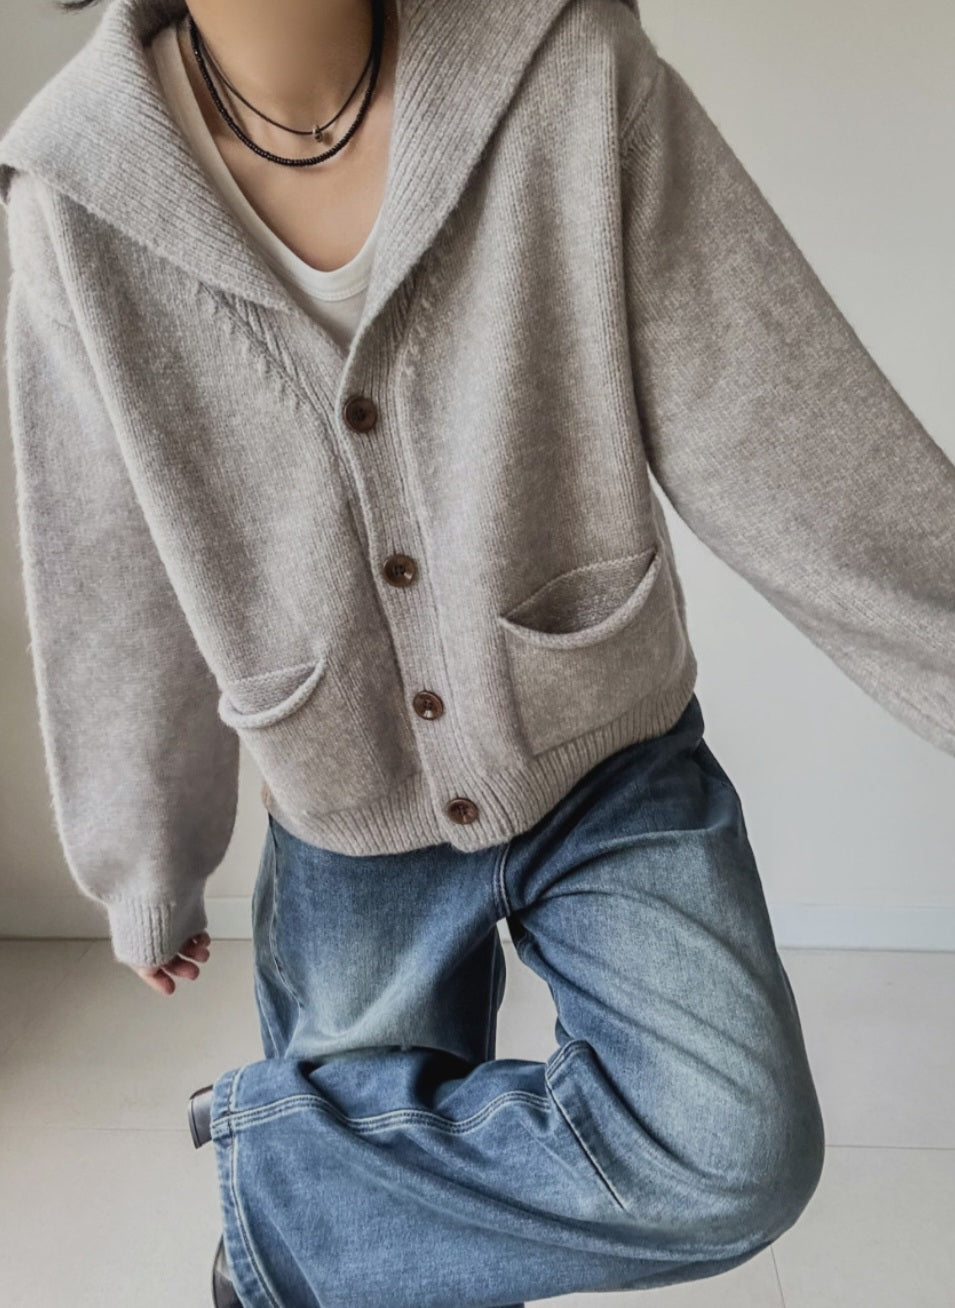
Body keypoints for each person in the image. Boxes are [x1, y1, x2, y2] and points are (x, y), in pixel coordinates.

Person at [2, 0, 953, 1304]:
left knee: (733, 1152)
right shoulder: (76, 189)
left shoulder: (565, 72)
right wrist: (142, 852)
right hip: (344, 799)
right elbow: (107, 563)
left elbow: (786, 432)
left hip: (609, 753)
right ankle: (324, 1219)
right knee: (419, 1261)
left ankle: (290, 1203)